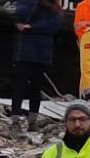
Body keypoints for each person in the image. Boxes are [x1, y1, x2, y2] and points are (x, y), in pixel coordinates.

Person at [12, 0, 63, 135]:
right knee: (20, 86)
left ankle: (32, 122)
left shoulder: (54, 6)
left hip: (42, 53)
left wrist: (32, 27)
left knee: (36, 88)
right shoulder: (27, 3)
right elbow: (20, 16)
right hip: (25, 52)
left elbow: (55, 25)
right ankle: (15, 122)